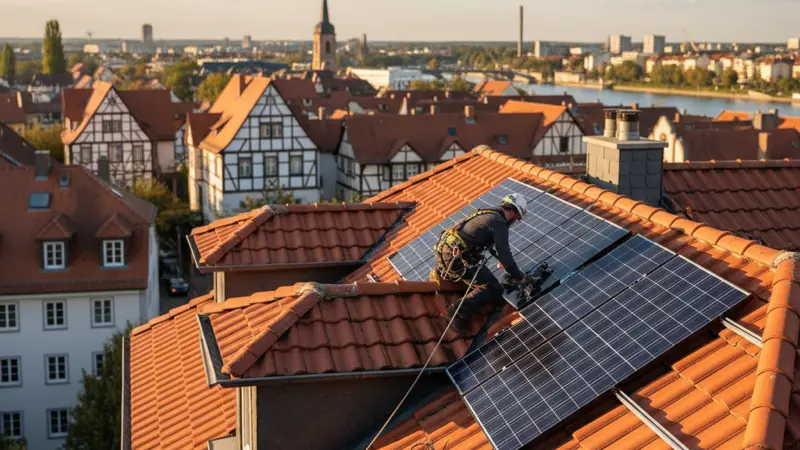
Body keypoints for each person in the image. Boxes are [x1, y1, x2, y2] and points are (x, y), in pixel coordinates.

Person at [432, 193, 532, 333]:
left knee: (480, 269)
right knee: (493, 288)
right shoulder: (499, 223)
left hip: (446, 252)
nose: (516, 220)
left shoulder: (488, 213)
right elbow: (506, 257)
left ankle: (446, 274)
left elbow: (494, 251)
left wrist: (504, 264)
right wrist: (521, 278)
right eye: (518, 217)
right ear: (514, 212)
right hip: (456, 259)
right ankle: (455, 312)